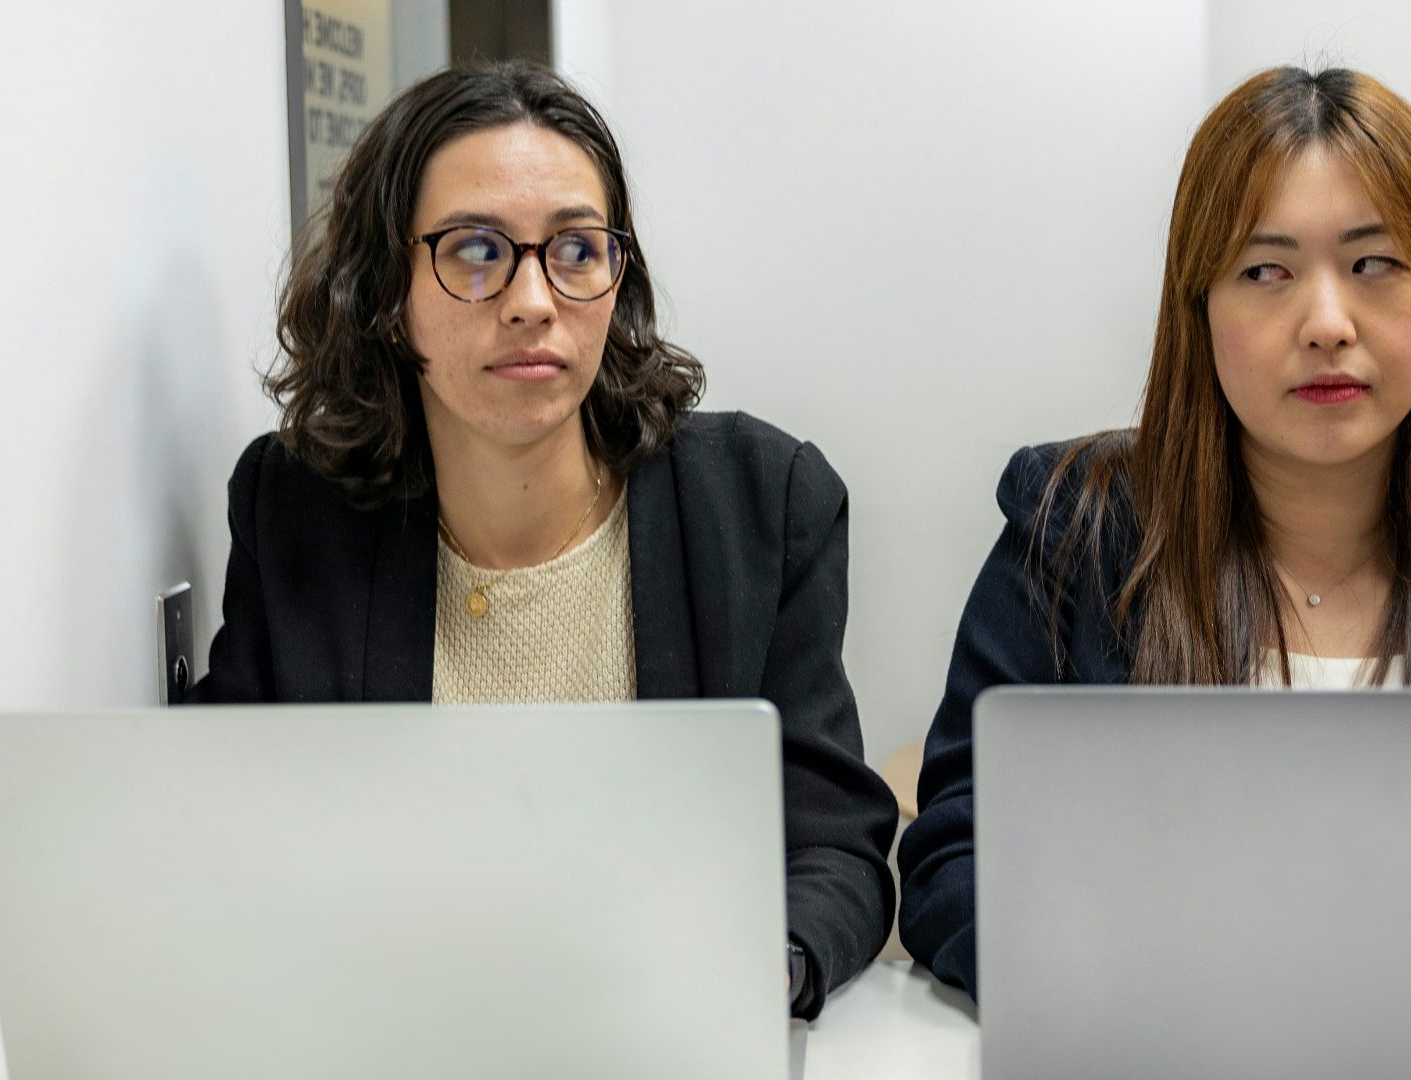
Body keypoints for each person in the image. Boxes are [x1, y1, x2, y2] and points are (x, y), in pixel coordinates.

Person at [895, 66, 1411, 1001]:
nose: (1326, 323)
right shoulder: (1075, 528)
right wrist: (1137, 990)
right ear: (1199, 307)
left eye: (1375, 264)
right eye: (1265, 271)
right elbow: (957, 857)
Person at [187, 60, 897, 1019]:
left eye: (575, 249)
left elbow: (832, 844)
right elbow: (217, 830)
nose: (532, 299)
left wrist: (760, 967)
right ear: (388, 295)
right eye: (476, 251)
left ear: (617, 277)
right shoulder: (296, 511)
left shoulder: (761, 504)